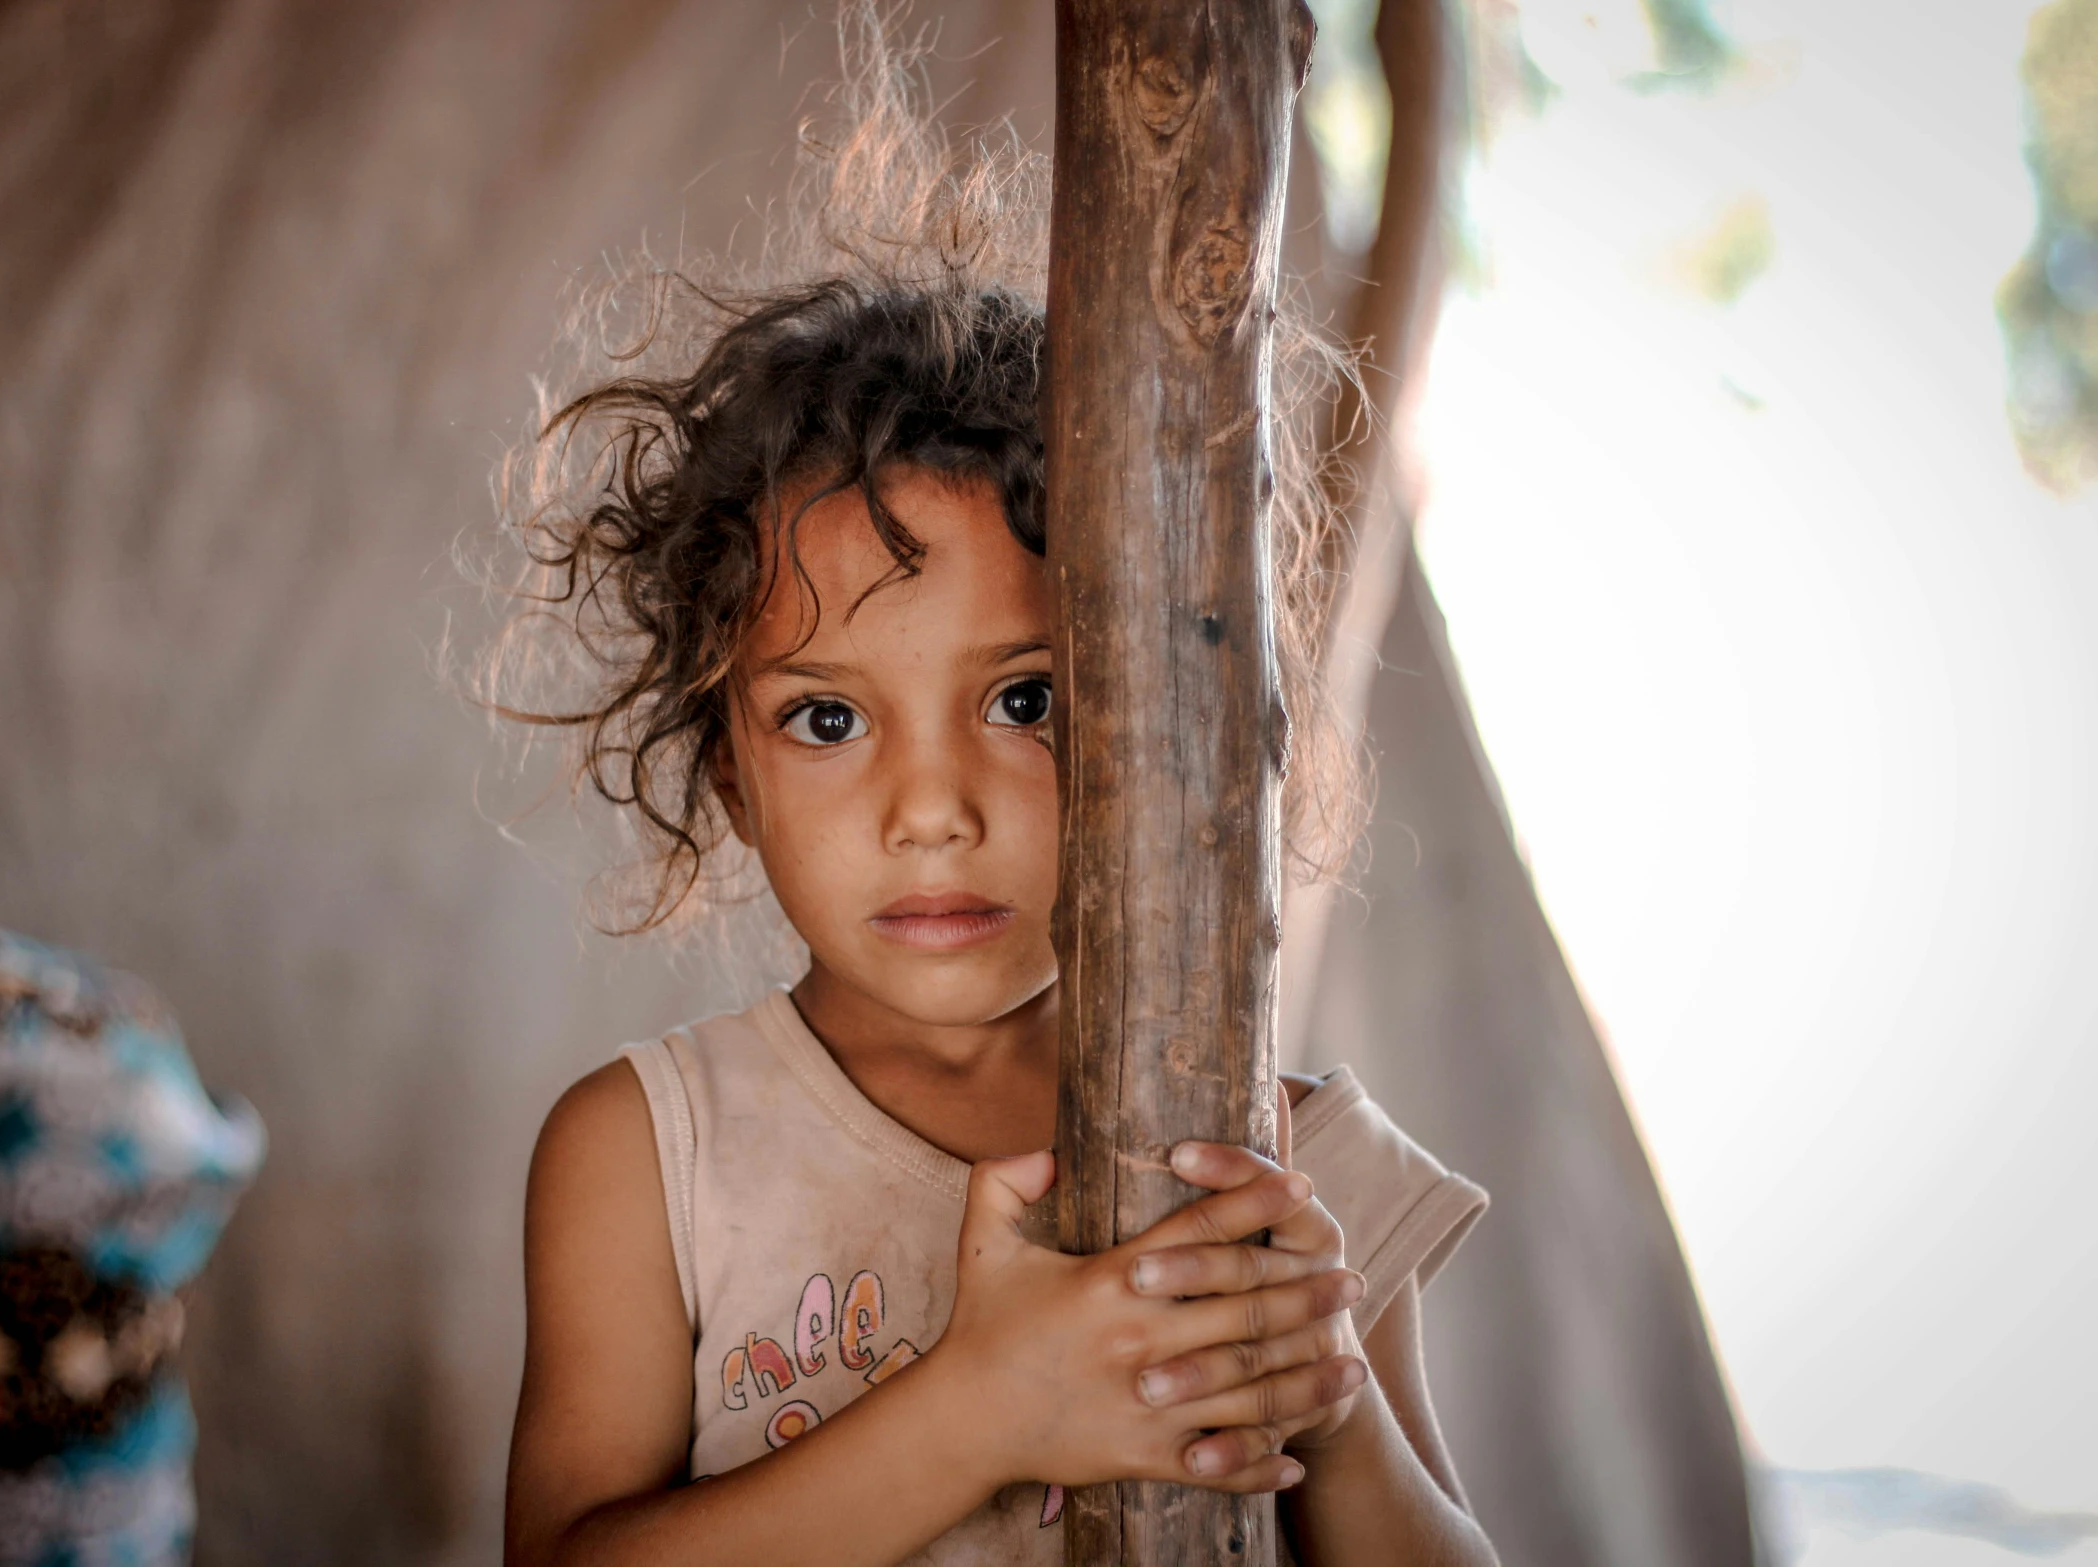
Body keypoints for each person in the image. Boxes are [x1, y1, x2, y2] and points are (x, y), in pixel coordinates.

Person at [491, 20, 1497, 1567]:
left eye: (1022, 701)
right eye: (827, 717)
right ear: (726, 767)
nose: (930, 805)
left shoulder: (1280, 1165)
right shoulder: (648, 1155)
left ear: (1159, 737)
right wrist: (985, 1406)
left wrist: (1332, 1403)